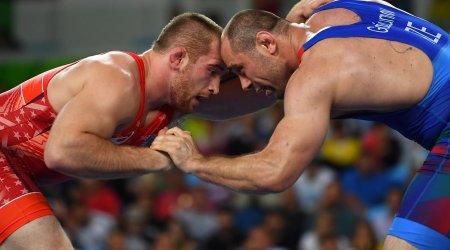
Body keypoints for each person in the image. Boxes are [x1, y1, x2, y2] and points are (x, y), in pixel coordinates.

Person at [151, 0, 450, 249]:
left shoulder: (313, 76)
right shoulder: (333, 9)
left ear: (267, 43)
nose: (244, 84)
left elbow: (274, 173)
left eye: (240, 69)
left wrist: (195, 163)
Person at [0, 11, 280, 249]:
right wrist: (158, 160)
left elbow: (242, 96)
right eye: (212, 71)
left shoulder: (172, 100)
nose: (216, 87)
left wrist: (291, 54)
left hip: (19, 170)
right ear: (178, 59)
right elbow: (62, 152)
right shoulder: (117, 77)